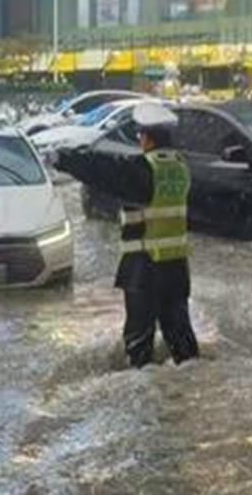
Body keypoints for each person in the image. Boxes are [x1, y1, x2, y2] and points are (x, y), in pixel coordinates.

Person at [56, 102, 200, 368]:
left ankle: (143, 392)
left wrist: (63, 159)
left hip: (144, 269)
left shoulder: (143, 169)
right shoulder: (180, 167)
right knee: (181, 339)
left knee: (138, 343)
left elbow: (103, 171)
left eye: (140, 136)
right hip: (177, 268)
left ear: (146, 138)